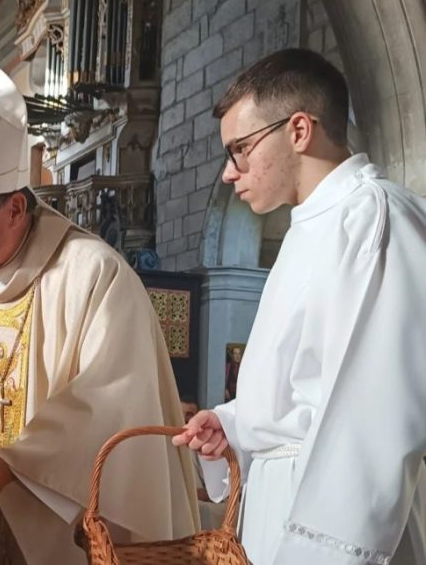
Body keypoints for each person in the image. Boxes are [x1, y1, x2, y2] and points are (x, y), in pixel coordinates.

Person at [0, 63, 198, 564]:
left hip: (60, 524)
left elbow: (112, 398)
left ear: (17, 209)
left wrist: (12, 463)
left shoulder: (92, 272)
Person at [173, 48, 426, 565]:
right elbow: (306, 387)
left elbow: (372, 415)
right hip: (277, 504)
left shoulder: (371, 218)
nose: (228, 172)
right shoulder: (311, 224)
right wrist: (237, 424)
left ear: (299, 131)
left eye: (239, 148)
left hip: (327, 524)